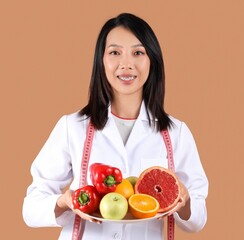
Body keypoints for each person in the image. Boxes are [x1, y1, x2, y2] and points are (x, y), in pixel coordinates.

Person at [22, 13, 208, 240]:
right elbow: (31, 208)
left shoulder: (176, 133)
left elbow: (197, 218)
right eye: (114, 53)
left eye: (138, 53)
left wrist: (184, 200)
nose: (126, 64)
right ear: (101, 61)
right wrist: (64, 201)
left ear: (153, 61)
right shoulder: (72, 127)